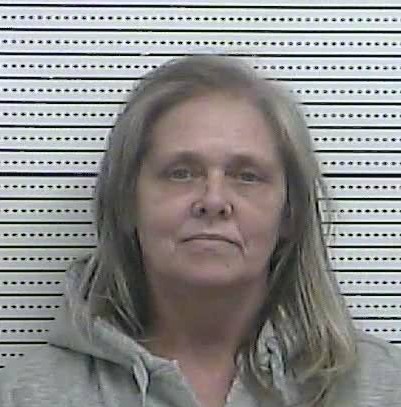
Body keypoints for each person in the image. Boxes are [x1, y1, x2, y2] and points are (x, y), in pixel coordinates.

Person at [1, 55, 400, 407]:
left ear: (289, 215)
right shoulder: (26, 396)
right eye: (180, 173)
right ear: (126, 203)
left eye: (247, 176)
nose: (213, 199)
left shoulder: (379, 387)